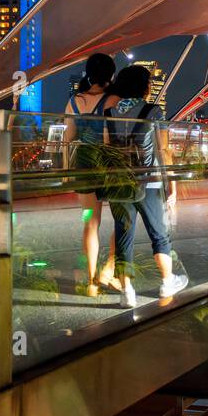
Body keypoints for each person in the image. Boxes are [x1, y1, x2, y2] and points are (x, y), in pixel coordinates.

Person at [105, 65, 188, 300]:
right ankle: (167, 283)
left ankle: (126, 292)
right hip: (149, 182)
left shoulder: (109, 112)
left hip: (120, 183)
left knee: (123, 236)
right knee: (159, 234)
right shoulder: (153, 111)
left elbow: (107, 147)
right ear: (144, 87)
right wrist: (172, 184)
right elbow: (164, 149)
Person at [63, 53, 118, 295]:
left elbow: (68, 138)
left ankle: (91, 282)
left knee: (90, 223)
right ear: (111, 74)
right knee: (123, 219)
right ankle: (110, 269)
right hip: (108, 164)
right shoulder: (112, 100)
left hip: (84, 164)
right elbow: (109, 137)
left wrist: (66, 171)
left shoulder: (74, 101)